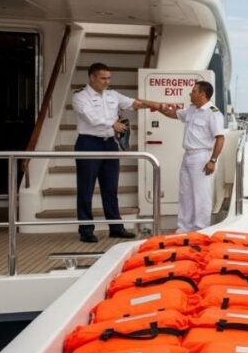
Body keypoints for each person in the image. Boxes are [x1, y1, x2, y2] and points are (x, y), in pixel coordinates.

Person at [71, 62, 150, 243]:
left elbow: (133, 103)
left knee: (111, 188)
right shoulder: (80, 97)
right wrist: (112, 123)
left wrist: (157, 105)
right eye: (103, 78)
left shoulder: (112, 95)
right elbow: (91, 118)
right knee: (86, 188)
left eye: (109, 78)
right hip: (88, 143)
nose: (107, 82)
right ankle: (86, 230)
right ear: (92, 78)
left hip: (109, 144)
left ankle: (116, 227)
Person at [153, 81, 226, 233]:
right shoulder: (192, 110)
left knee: (200, 195)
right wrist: (157, 108)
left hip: (202, 156)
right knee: (185, 193)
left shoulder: (213, 113)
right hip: (188, 155)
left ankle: (200, 229)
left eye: (193, 91)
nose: (190, 94)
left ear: (202, 94)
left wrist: (213, 160)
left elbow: (220, 138)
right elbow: (174, 114)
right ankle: (183, 228)